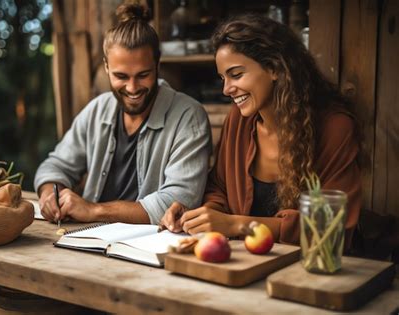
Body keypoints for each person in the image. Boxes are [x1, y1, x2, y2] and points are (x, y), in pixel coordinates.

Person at [159, 14, 361, 247]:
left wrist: (237, 225)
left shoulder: (334, 128)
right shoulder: (239, 121)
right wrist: (201, 217)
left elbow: (332, 227)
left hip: (312, 269)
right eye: (223, 78)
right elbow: (219, 188)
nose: (226, 89)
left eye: (236, 75)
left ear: (274, 68)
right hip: (245, 263)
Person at [34, 4, 211, 225]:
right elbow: (55, 166)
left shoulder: (189, 117)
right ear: (106, 67)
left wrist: (94, 211)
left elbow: (179, 201)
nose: (132, 87)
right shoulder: (97, 110)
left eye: (143, 75)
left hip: (147, 248)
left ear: (157, 64)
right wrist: (50, 194)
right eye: (121, 76)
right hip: (87, 240)